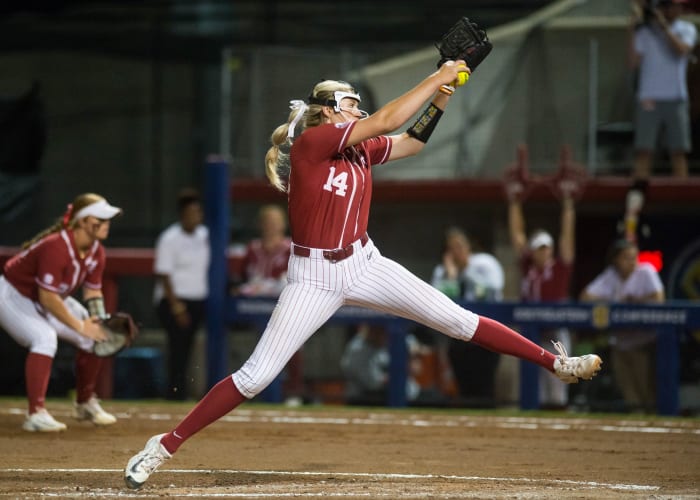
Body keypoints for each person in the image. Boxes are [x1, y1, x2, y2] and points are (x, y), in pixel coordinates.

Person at [124, 62, 602, 489]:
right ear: (327, 110)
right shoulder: (312, 141)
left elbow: (411, 141)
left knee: (458, 320)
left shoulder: (358, 149)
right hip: (313, 276)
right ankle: (163, 445)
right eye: (349, 101)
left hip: (364, 262)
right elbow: (390, 120)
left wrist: (439, 98)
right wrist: (436, 76)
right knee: (255, 376)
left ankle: (554, 363)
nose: (358, 107)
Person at [0, 193, 122, 432]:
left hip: (45, 299)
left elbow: (93, 291)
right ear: (83, 221)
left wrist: (99, 319)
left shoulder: (97, 251)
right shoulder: (57, 246)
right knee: (44, 338)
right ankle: (35, 414)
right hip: (13, 294)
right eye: (101, 219)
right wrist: (80, 325)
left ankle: (84, 402)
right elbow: (48, 297)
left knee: (93, 335)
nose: (106, 224)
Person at [507, 191, 576, 409]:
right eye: (539, 249)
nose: (544, 253)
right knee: (530, 383)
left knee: (558, 381)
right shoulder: (528, 265)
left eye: (547, 249)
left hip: (555, 330)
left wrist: (568, 207)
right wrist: (515, 202)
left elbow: (567, 237)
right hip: (531, 331)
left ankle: (558, 416)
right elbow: (517, 235)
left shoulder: (559, 267)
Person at [580, 238, 665, 413]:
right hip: (620, 341)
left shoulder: (646, 271)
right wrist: (613, 301)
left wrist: (636, 301)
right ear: (616, 260)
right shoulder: (611, 275)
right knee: (628, 391)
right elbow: (585, 297)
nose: (632, 262)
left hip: (644, 341)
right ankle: (638, 421)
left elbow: (659, 299)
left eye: (634, 257)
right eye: (626, 257)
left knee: (646, 389)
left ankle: (653, 419)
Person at [232, 204, 303, 406]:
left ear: (283, 225)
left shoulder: (292, 247)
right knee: (259, 349)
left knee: (292, 347)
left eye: (275, 222)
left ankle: (293, 392)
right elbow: (244, 277)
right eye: (267, 222)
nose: (270, 226)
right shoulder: (253, 249)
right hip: (256, 307)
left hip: (285, 306)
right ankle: (254, 392)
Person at [430, 227, 504, 407]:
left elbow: (493, 288)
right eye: (451, 248)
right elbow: (432, 297)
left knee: (485, 388)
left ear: (468, 246)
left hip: (486, 335)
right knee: (465, 389)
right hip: (458, 338)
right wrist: (452, 276)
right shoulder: (443, 271)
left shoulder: (484, 263)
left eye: (460, 246)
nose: (457, 251)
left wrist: (465, 271)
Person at [629, 0, 698, 179]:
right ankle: (639, 193)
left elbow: (681, 51)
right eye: (664, 6)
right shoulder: (645, 32)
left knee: (678, 150)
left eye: (672, 6)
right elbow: (632, 62)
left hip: (676, 97)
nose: (668, 10)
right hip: (649, 97)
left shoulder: (686, 29)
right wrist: (632, 29)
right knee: (644, 149)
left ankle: (681, 194)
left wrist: (664, 27)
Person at [153, 188, 209, 401]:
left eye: (198, 213)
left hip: (197, 299)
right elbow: (163, 274)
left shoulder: (204, 235)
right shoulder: (170, 238)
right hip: (174, 301)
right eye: (191, 213)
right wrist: (176, 306)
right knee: (178, 347)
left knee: (188, 348)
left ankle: (182, 391)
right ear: (182, 215)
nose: (196, 217)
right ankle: (174, 392)